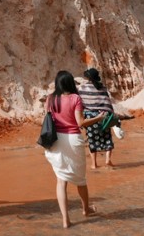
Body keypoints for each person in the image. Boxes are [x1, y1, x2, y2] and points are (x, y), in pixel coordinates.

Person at [44, 70, 107, 229]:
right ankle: (86, 210)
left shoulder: (50, 99)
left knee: (61, 181)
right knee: (80, 179)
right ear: (71, 83)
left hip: (56, 141)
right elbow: (80, 123)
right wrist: (99, 118)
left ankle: (66, 220)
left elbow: (47, 119)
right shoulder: (75, 98)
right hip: (73, 140)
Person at [77, 68, 115, 169]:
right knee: (107, 137)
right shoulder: (102, 88)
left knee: (92, 139)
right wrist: (111, 114)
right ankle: (107, 159)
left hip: (89, 118)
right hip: (103, 116)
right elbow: (107, 103)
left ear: (87, 77)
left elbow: (80, 104)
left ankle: (94, 164)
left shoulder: (82, 88)